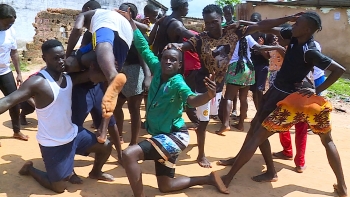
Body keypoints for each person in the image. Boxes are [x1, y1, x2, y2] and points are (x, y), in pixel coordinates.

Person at [214, 12, 347, 197]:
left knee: (256, 134)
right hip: (298, 96)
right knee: (327, 140)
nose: (293, 25)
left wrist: (317, 90)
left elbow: (339, 69)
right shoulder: (294, 36)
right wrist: (244, 23)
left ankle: (230, 178)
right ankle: (342, 187)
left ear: (307, 29)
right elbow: (266, 26)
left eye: (297, 23)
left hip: (284, 97)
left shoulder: (309, 50)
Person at [117, 9, 229, 196]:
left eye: (173, 60)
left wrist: (209, 95)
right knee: (166, 186)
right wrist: (131, 23)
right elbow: (143, 47)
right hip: (162, 136)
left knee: (129, 154)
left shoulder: (177, 82)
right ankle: (209, 178)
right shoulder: (157, 69)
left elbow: (191, 100)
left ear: (179, 65)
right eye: (165, 58)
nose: (168, 62)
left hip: (175, 137)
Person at [169, 4, 297, 168]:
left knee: (212, 116)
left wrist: (287, 19)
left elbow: (261, 26)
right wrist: (175, 46)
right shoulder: (201, 38)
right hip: (204, 86)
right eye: (207, 23)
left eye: (214, 22)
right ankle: (201, 155)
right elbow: (183, 46)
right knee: (204, 122)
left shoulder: (233, 32)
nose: (210, 26)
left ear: (221, 19)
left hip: (218, 86)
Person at [0, 40, 114, 193]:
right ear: (44, 58)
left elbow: (92, 76)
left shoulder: (68, 78)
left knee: (106, 146)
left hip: (73, 134)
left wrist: (108, 64)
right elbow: (8, 100)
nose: (61, 61)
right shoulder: (38, 82)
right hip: (52, 142)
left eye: (62, 57)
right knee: (59, 188)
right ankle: (30, 170)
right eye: (55, 58)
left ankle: (95, 172)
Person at [69, 0, 123, 163]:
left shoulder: (94, 27)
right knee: (74, 125)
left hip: (95, 85)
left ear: (87, 11)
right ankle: (69, 164)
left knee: (110, 121)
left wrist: (70, 55)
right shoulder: (97, 32)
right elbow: (83, 58)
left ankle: (119, 155)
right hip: (84, 86)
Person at [66, 6, 133, 118]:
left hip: (109, 22)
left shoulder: (94, 16)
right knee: (110, 90)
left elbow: (77, 29)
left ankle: (112, 75)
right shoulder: (98, 30)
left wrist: (67, 55)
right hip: (127, 38)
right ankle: (103, 127)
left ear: (86, 9)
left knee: (102, 45)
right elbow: (90, 48)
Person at [272, 40, 325, 173]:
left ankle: (288, 151)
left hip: (289, 92)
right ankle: (299, 162)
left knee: (283, 123)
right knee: (300, 128)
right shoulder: (311, 46)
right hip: (304, 91)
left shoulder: (293, 47)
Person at [217, 35, 285, 134]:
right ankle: (240, 124)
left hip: (236, 66)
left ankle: (226, 124)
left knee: (228, 97)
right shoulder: (248, 37)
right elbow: (260, 47)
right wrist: (277, 47)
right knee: (243, 98)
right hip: (248, 67)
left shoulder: (230, 36)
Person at [114, 3, 151, 145]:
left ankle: (134, 143)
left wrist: (147, 76)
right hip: (121, 71)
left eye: (122, 12)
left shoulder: (137, 33)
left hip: (135, 71)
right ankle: (119, 136)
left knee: (133, 109)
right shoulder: (117, 29)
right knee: (116, 106)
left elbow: (143, 55)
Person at [0, 4, 28, 146]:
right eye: (6, 23)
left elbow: (14, 52)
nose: (9, 26)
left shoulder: (11, 31)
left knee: (14, 102)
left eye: (12, 23)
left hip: (5, 72)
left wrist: (18, 73)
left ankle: (16, 131)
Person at [249, 12, 271, 110]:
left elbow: (268, 57)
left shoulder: (265, 35)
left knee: (259, 89)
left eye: (256, 21)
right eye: (252, 21)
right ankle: (258, 112)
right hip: (251, 66)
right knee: (254, 90)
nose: (254, 23)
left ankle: (261, 111)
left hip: (262, 65)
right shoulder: (248, 35)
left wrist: (260, 47)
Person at [183, 30, 201, 128]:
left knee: (188, 97)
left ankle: (197, 122)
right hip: (196, 67)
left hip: (192, 69)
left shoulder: (182, 37)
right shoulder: (196, 34)